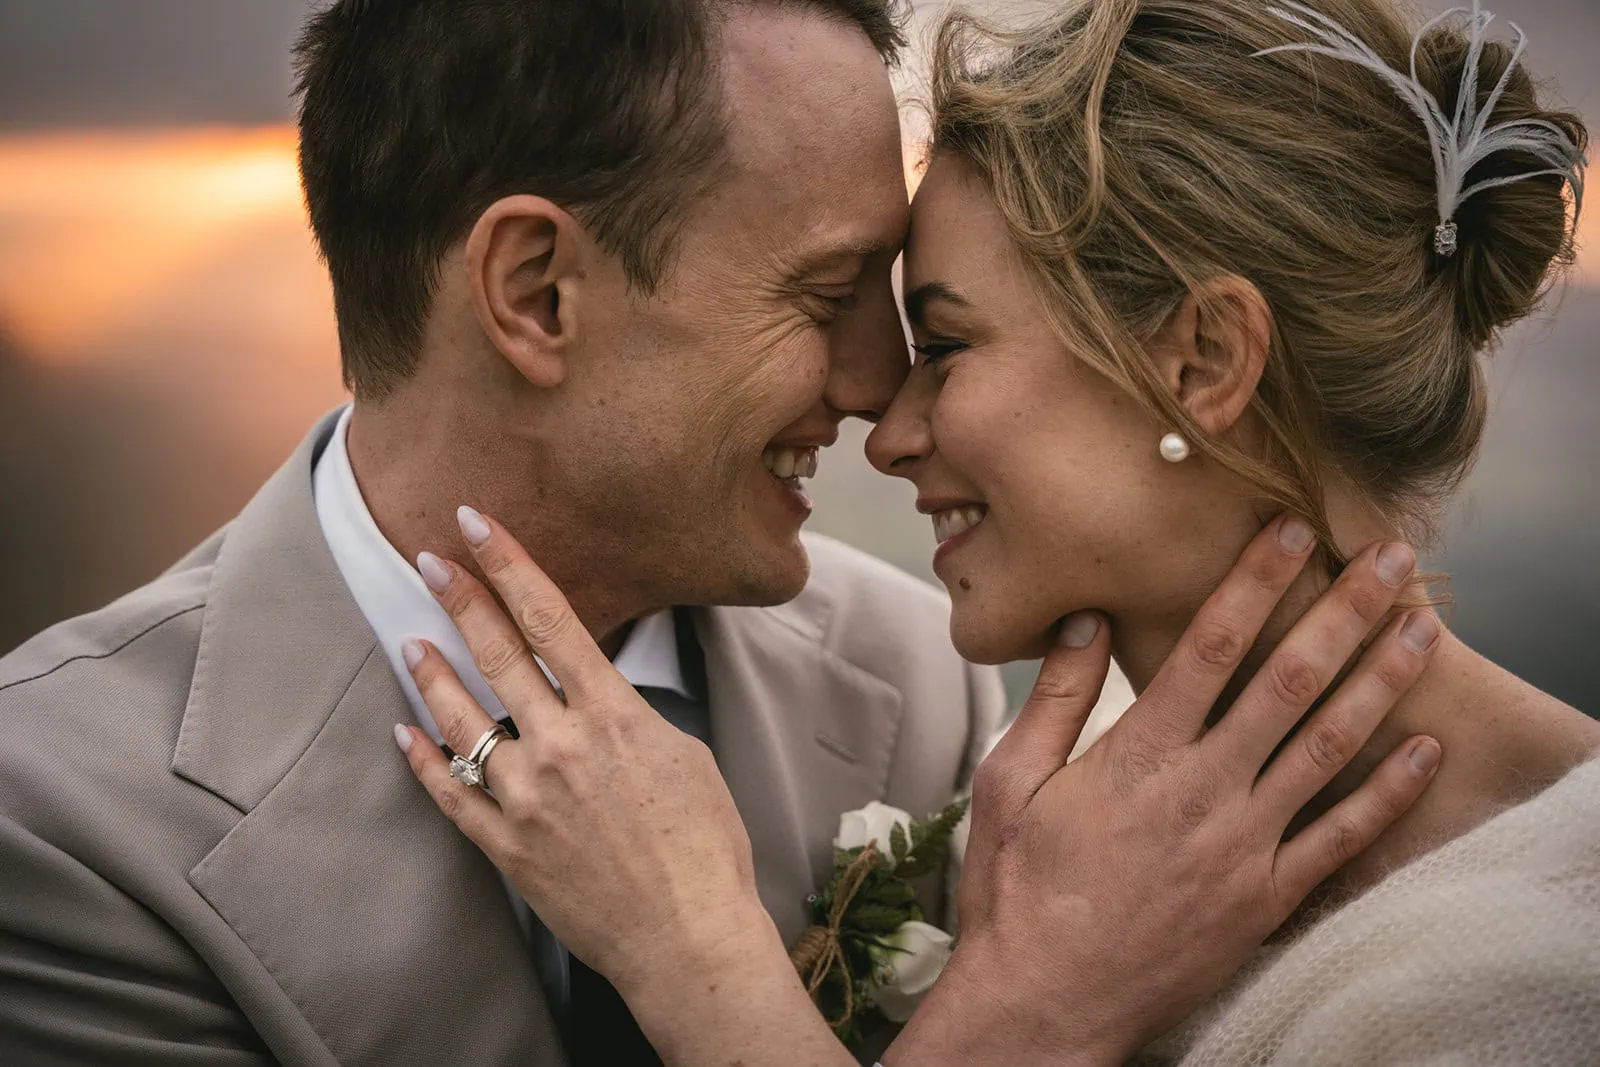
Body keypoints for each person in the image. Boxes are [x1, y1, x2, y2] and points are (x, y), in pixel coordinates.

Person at [0, 1, 1437, 1065]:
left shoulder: (904, 680)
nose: (882, 392)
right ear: (539, 293)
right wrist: (1025, 1018)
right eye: (826, 299)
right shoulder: (61, 820)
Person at [398, 0, 1600, 1063]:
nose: (890, 426)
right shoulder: (1061, 832)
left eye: (950, 343)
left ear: (1202, 360)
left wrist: (704, 975)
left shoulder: (1525, 984)